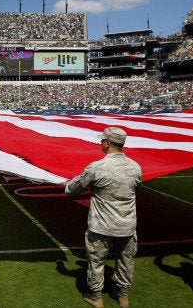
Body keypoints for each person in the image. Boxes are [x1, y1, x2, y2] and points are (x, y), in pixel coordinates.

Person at [65, 127, 142, 308]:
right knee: (125, 261)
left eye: (102, 141)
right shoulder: (135, 167)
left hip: (101, 226)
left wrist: (67, 184)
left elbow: (74, 189)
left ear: (107, 143)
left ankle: (96, 296)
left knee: (96, 262)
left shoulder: (97, 167)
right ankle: (122, 296)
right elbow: (137, 190)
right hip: (127, 225)